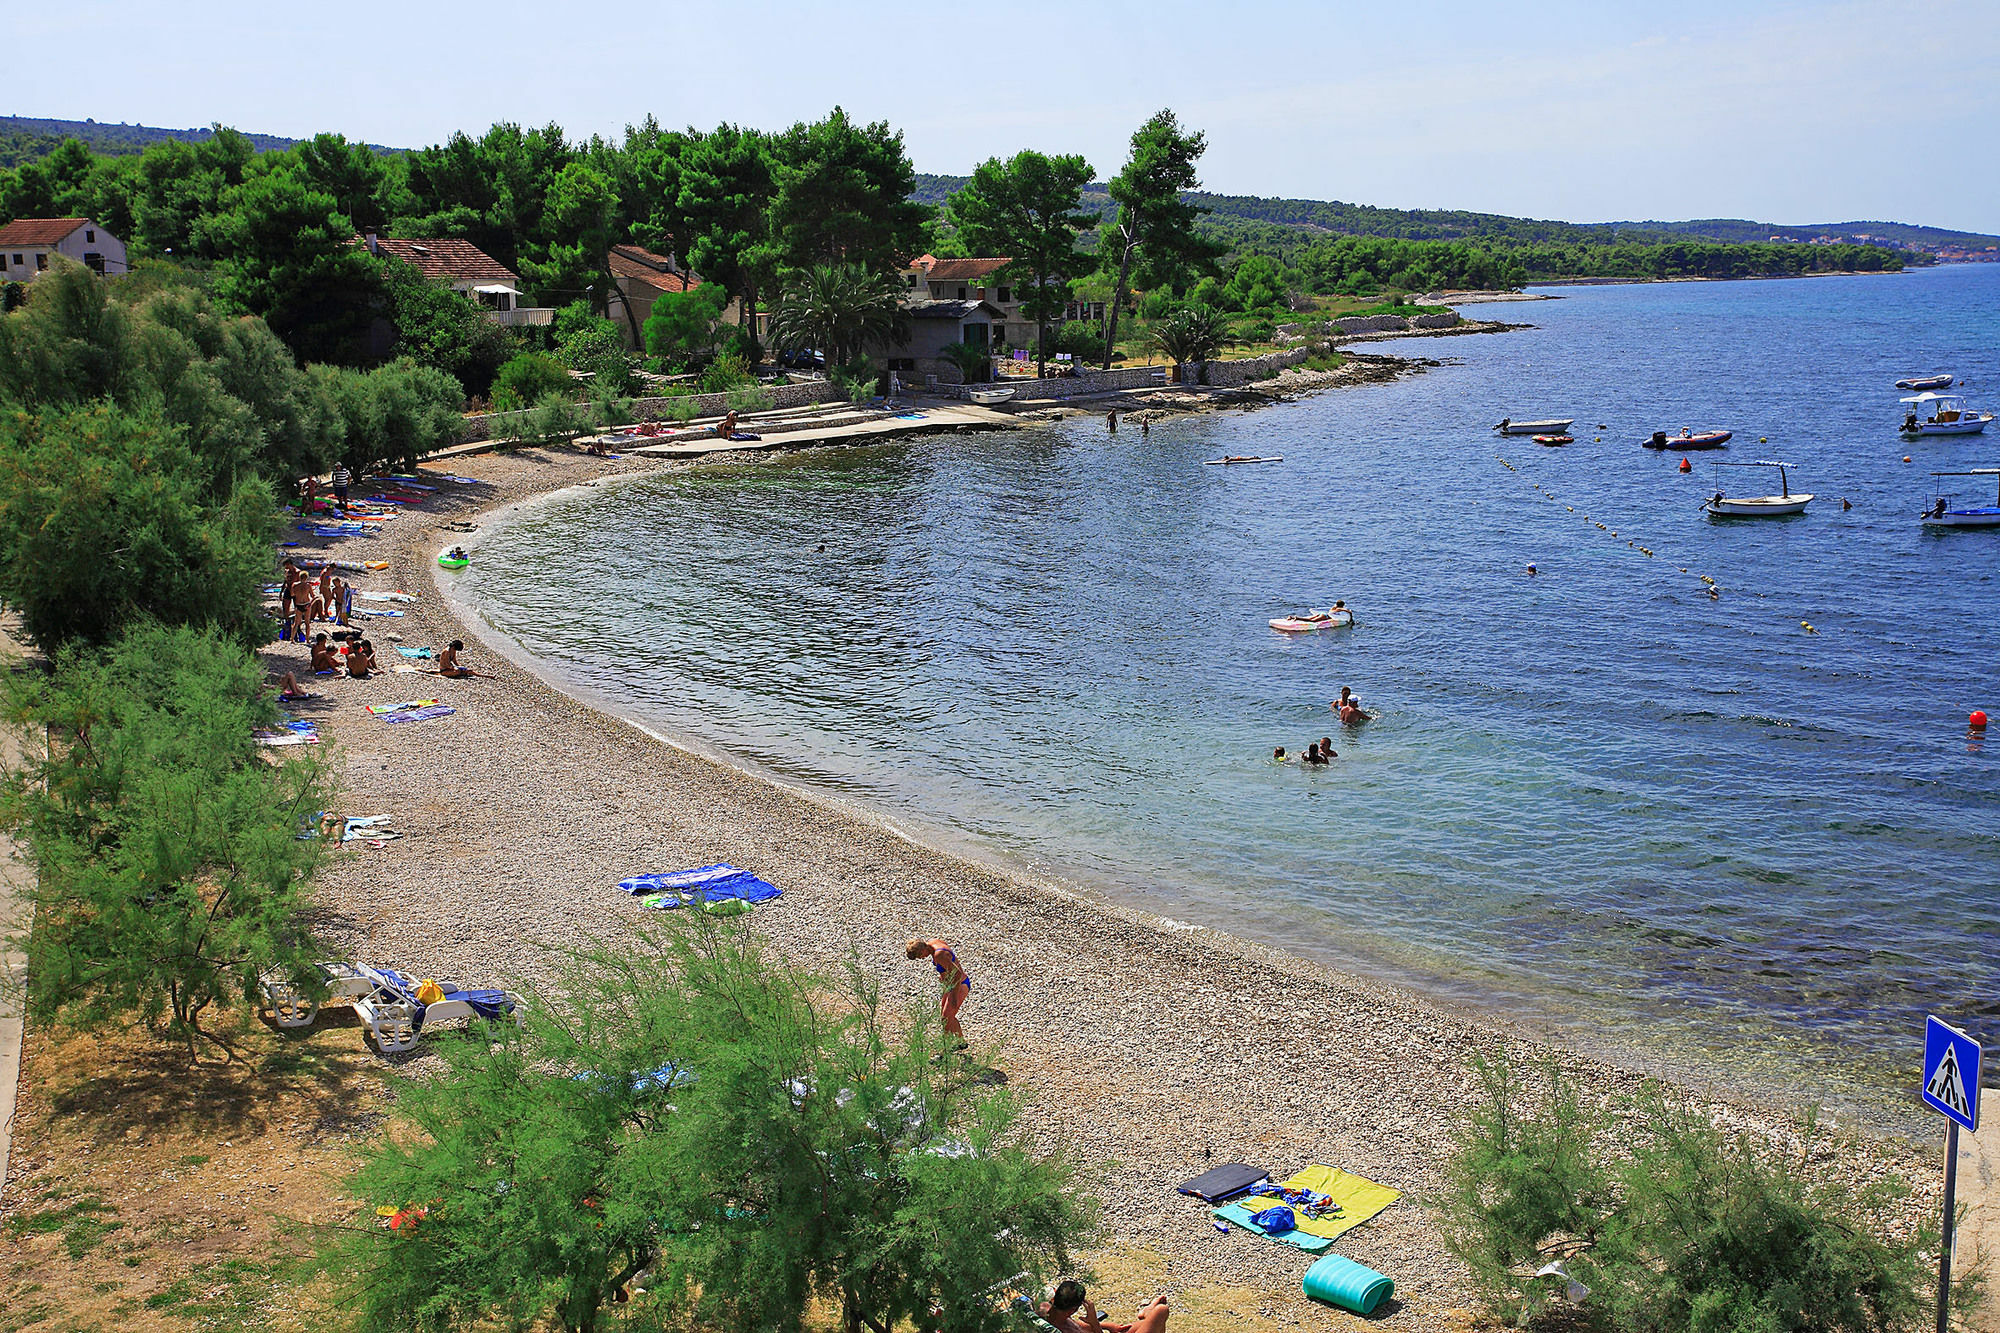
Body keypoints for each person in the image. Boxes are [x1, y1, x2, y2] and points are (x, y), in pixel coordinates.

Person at [905, 938, 970, 1047]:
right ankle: (961, 1042)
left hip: (959, 985)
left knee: (946, 1018)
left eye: (921, 955)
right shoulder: (934, 942)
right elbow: (950, 965)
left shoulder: (939, 954)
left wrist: (954, 996)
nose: (922, 958)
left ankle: (945, 1051)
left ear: (923, 948)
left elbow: (958, 974)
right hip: (950, 985)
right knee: (947, 1017)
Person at [1042, 1281, 1168, 1333]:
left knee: (1154, 1320)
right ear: (1072, 1310)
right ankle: (1146, 1314)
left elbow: (1079, 1326)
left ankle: (1147, 1315)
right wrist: (1094, 1322)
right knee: (1161, 1312)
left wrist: (1108, 1326)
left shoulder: (1046, 1310)